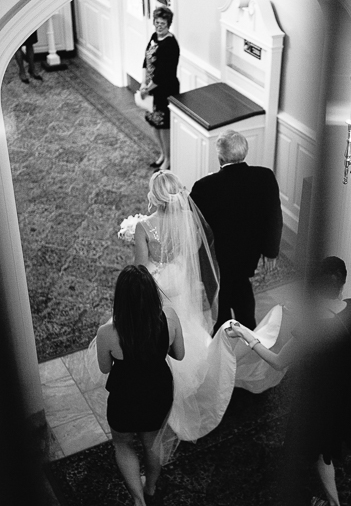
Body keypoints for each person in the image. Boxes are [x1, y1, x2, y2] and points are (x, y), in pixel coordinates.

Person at [133, 170, 288, 450]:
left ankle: (164, 383)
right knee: (186, 324)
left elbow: (142, 269)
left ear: (154, 195)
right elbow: (190, 254)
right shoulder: (188, 220)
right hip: (180, 281)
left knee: (157, 327)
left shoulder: (145, 226)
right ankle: (192, 373)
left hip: (159, 284)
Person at [226, 257, 351, 506]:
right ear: (342, 284)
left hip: (320, 397)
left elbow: (278, 361)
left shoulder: (310, 327)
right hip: (348, 386)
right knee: (328, 445)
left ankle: (329, 502)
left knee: (315, 450)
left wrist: (248, 336)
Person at [96, 265, 185, 506]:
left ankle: (138, 500)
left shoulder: (107, 333)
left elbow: (105, 368)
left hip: (125, 395)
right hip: (157, 391)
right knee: (152, 442)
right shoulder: (170, 318)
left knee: (123, 443)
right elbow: (179, 355)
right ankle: (152, 487)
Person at [190, 129, 283, 333]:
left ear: (220, 157)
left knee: (225, 291)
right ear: (244, 152)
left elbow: (193, 223)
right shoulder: (265, 177)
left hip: (219, 256)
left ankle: (224, 327)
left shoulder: (204, 186)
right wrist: (271, 253)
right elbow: (274, 218)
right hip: (250, 253)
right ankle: (247, 327)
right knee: (240, 285)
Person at [139, 6, 180, 170]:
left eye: (162, 23)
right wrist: (143, 82)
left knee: (164, 126)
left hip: (165, 90)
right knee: (154, 123)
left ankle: (169, 159)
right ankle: (162, 153)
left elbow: (162, 74)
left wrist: (147, 88)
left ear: (168, 24)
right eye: (157, 22)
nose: (159, 26)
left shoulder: (170, 44)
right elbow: (146, 60)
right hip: (151, 88)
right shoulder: (154, 37)